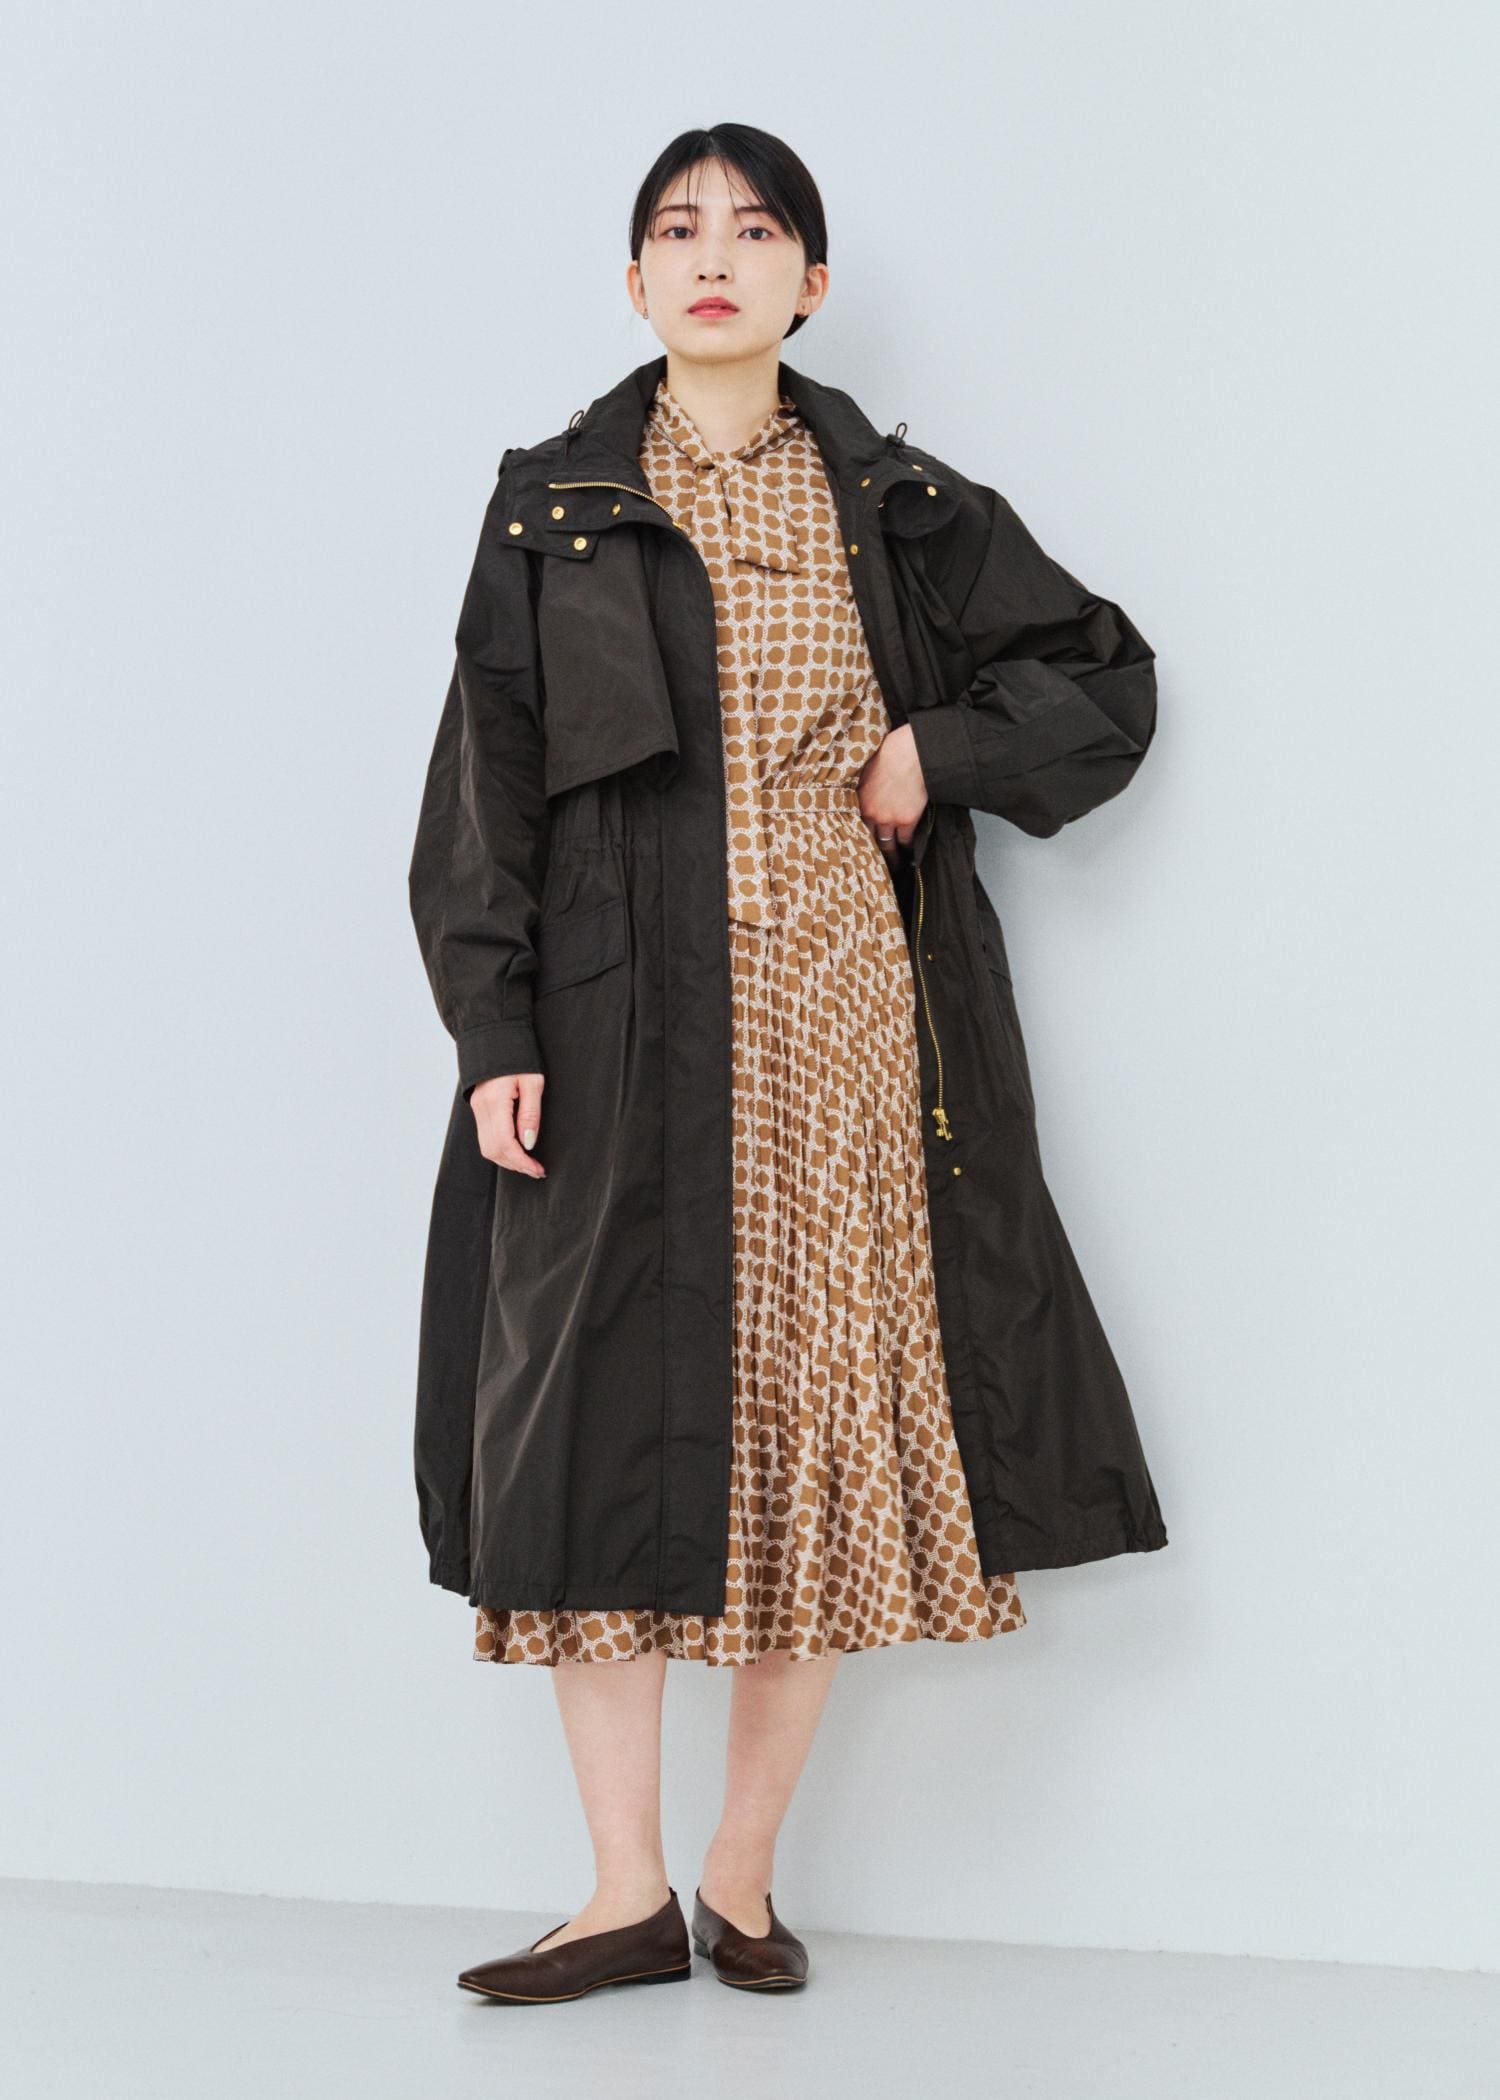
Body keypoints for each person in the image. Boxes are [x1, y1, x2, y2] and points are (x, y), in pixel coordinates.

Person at [409, 123, 1167, 2004]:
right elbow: (485, 790)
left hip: (844, 1020)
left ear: (810, 283)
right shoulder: (553, 507)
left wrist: (937, 751)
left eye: (754, 231)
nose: (714, 256)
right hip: (612, 1022)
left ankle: (738, 1878)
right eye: (677, 230)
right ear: (635, 279)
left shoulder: (899, 504)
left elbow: (1105, 676)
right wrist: (496, 1026)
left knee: (810, 1431)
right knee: (588, 1421)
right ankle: (618, 1891)